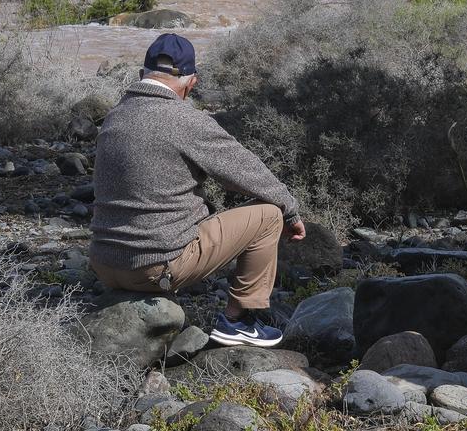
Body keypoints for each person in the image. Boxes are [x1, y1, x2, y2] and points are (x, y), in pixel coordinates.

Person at [89, 33, 306, 348]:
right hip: (156, 267)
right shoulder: (185, 119)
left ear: (142, 75)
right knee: (270, 215)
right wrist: (291, 210)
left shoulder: (114, 116)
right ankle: (238, 321)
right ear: (191, 83)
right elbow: (246, 173)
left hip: (104, 265)